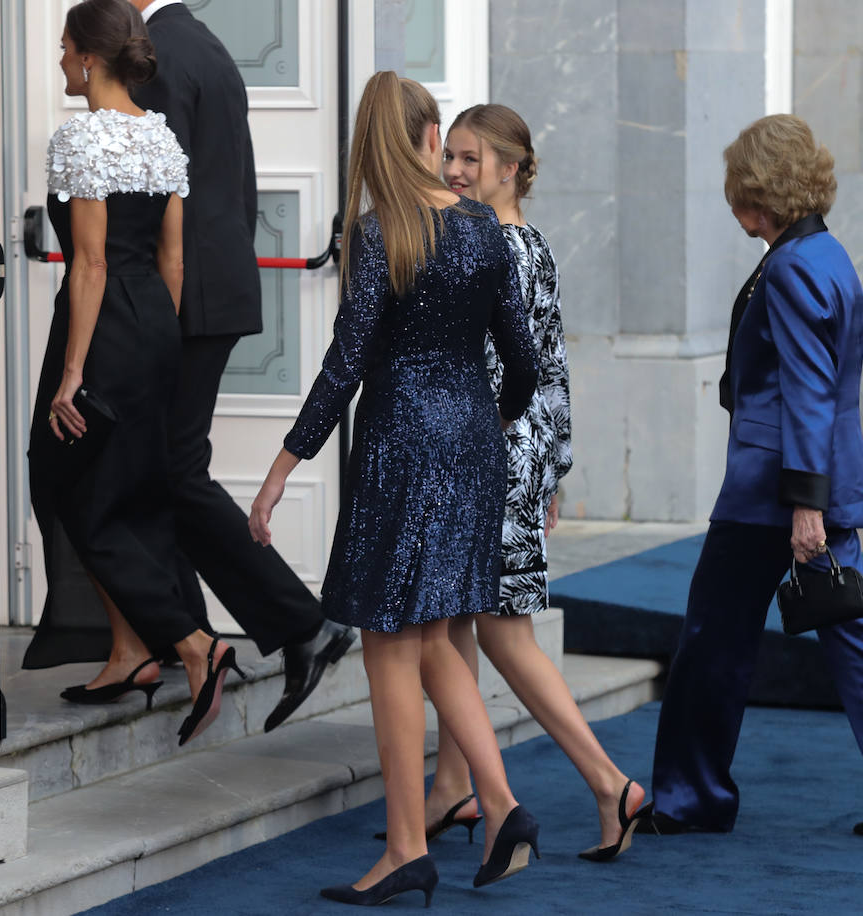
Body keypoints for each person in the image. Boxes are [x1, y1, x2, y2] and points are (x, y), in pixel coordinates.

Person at [249, 73, 540, 906]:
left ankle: (409, 847)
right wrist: (487, 422)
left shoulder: (379, 234)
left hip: (403, 448)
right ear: (427, 134)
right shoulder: (483, 226)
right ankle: (504, 804)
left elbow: (347, 364)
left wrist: (278, 473)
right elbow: (520, 360)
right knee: (436, 639)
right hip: (473, 442)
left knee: (389, 643)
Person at [648, 114, 863, 839]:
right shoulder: (826, 253)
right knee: (856, 633)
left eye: (736, 191)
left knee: (711, 641)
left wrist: (803, 507)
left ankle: (692, 799)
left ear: (758, 193)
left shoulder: (790, 266)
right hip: (814, 479)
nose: (731, 205)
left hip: (775, 487)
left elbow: (808, 390)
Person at [50, 0, 355, 731]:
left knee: (169, 471)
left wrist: (143, 322)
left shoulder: (157, 53)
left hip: (179, 302)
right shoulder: (203, 42)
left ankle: (291, 626)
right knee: (160, 468)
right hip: (210, 290)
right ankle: (161, 642)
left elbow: (145, 208)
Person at [405, 103, 649, 863]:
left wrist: (532, 466)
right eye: (449, 156)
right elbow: (551, 370)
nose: (453, 171)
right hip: (513, 451)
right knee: (452, 625)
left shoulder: (497, 245)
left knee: (501, 632)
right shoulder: (521, 242)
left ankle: (610, 783)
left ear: (511, 168)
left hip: (495, 455)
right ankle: (454, 786)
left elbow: (516, 368)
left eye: (471, 159)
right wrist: (553, 464)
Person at [24, 0, 242, 748]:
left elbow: (88, 265)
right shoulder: (160, 137)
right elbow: (171, 260)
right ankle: (130, 652)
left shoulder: (83, 137)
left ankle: (191, 644)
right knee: (134, 490)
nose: (59, 61)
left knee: (66, 485)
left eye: (63, 48)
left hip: (101, 330)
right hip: (154, 328)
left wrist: (73, 372)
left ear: (90, 57)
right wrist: (161, 344)